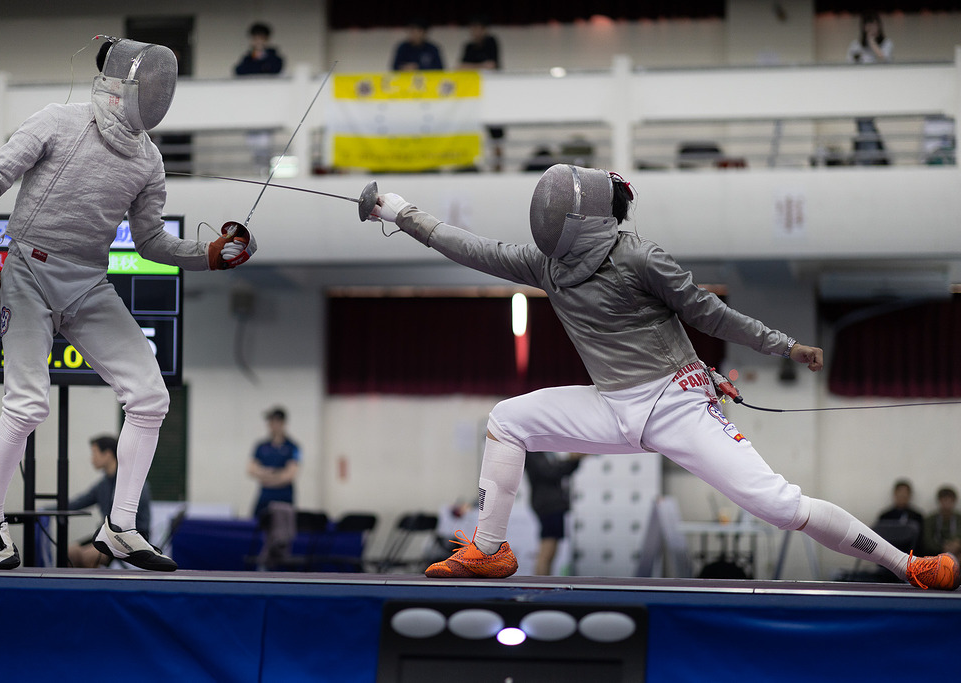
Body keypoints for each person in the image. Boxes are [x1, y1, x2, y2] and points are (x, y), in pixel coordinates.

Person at [367, 164, 961, 590]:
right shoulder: (546, 265)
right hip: (612, 407)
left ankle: (908, 565)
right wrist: (395, 209)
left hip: (676, 407)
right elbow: (465, 246)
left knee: (781, 505)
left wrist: (783, 346)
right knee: (507, 420)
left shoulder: (638, 256)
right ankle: (490, 550)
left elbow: (708, 313)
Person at [0, 37, 256, 572]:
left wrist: (209, 255)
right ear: (122, 83)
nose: (156, 95)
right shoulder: (58, 120)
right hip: (28, 270)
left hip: (87, 281)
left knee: (150, 398)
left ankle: (121, 527)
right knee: (27, 405)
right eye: (149, 85)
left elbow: (151, 241)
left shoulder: (149, 159)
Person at [67, 435, 153, 568]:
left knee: (88, 556)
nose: (92, 459)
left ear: (107, 454)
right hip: (108, 537)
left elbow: (133, 522)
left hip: (131, 538)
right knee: (70, 553)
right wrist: (44, 509)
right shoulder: (102, 485)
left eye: (94, 453)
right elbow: (77, 503)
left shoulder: (134, 483)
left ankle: (93, 582)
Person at [525, 451, 586, 575]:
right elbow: (550, 472)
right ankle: (540, 582)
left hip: (553, 503)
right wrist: (572, 459)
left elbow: (560, 470)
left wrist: (575, 459)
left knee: (551, 548)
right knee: (548, 547)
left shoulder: (544, 451)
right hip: (547, 504)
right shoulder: (534, 451)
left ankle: (542, 581)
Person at [459, 15, 505, 172]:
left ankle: (498, 167)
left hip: (493, 94)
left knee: (496, 133)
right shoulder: (468, 47)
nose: (475, 32)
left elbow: (492, 66)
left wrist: (472, 67)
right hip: (474, 95)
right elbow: (460, 68)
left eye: (478, 28)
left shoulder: (491, 42)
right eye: (473, 29)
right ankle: (470, 166)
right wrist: (480, 66)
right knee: (471, 130)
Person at [847, 12, 892, 165]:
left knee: (867, 128)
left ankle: (869, 161)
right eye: (868, 24)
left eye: (874, 24)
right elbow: (848, 66)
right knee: (864, 127)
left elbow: (884, 60)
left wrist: (872, 42)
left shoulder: (886, 44)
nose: (871, 28)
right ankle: (868, 161)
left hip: (879, 91)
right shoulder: (856, 45)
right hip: (860, 93)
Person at [249, 407, 301, 521]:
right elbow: (251, 470)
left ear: (282, 423)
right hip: (265, 496)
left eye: (274, 421)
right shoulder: (261, 446)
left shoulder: (292, 447)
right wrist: (277, 474)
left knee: (283, 527)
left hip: (284, 496)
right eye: (270, 421)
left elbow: (289, 475)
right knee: (256, 523)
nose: (271, 425)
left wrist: (267, 476)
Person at [923, 486, 961, 557]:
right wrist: (942, 547)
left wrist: (957, 544)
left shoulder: (959, 518)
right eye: (944, 500)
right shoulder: (930, 519)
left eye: (950, 501)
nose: (947, 504)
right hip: (935, 553)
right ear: (939, 501)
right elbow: (928, 541)